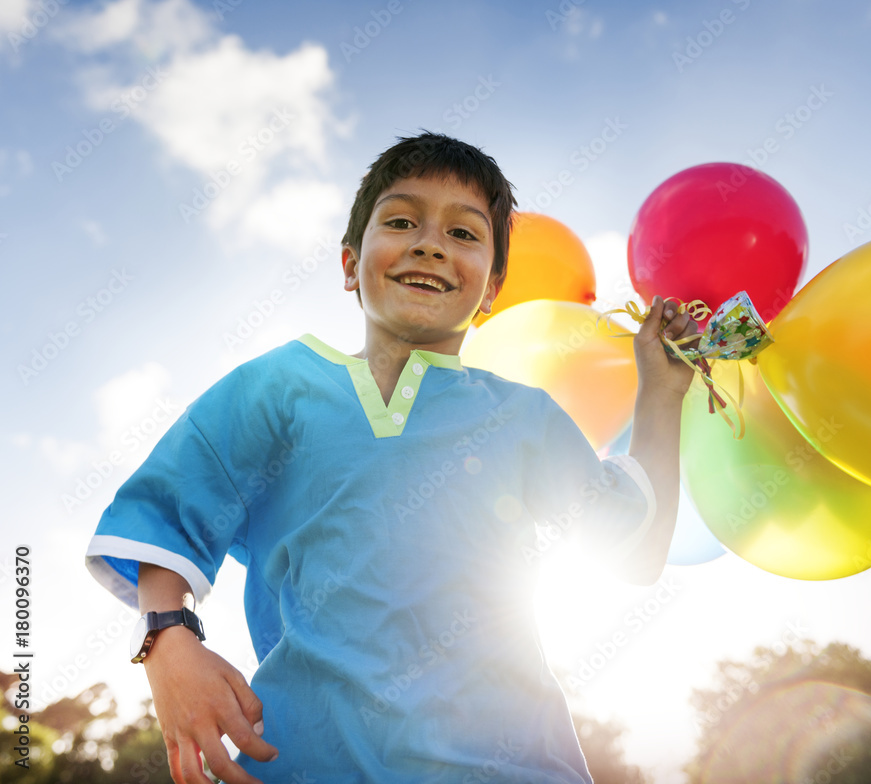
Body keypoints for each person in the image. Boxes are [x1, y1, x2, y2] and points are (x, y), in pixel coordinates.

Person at [85, 132, 697, 784]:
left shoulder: (525, 416)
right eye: (403, 221)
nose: (430, 243)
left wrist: (661, 393)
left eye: (464, 234)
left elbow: (634, 547)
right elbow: (169, 509)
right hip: (308, 763)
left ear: (491, 290)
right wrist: (168, 642)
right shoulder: (278, 387)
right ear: (350, 264)